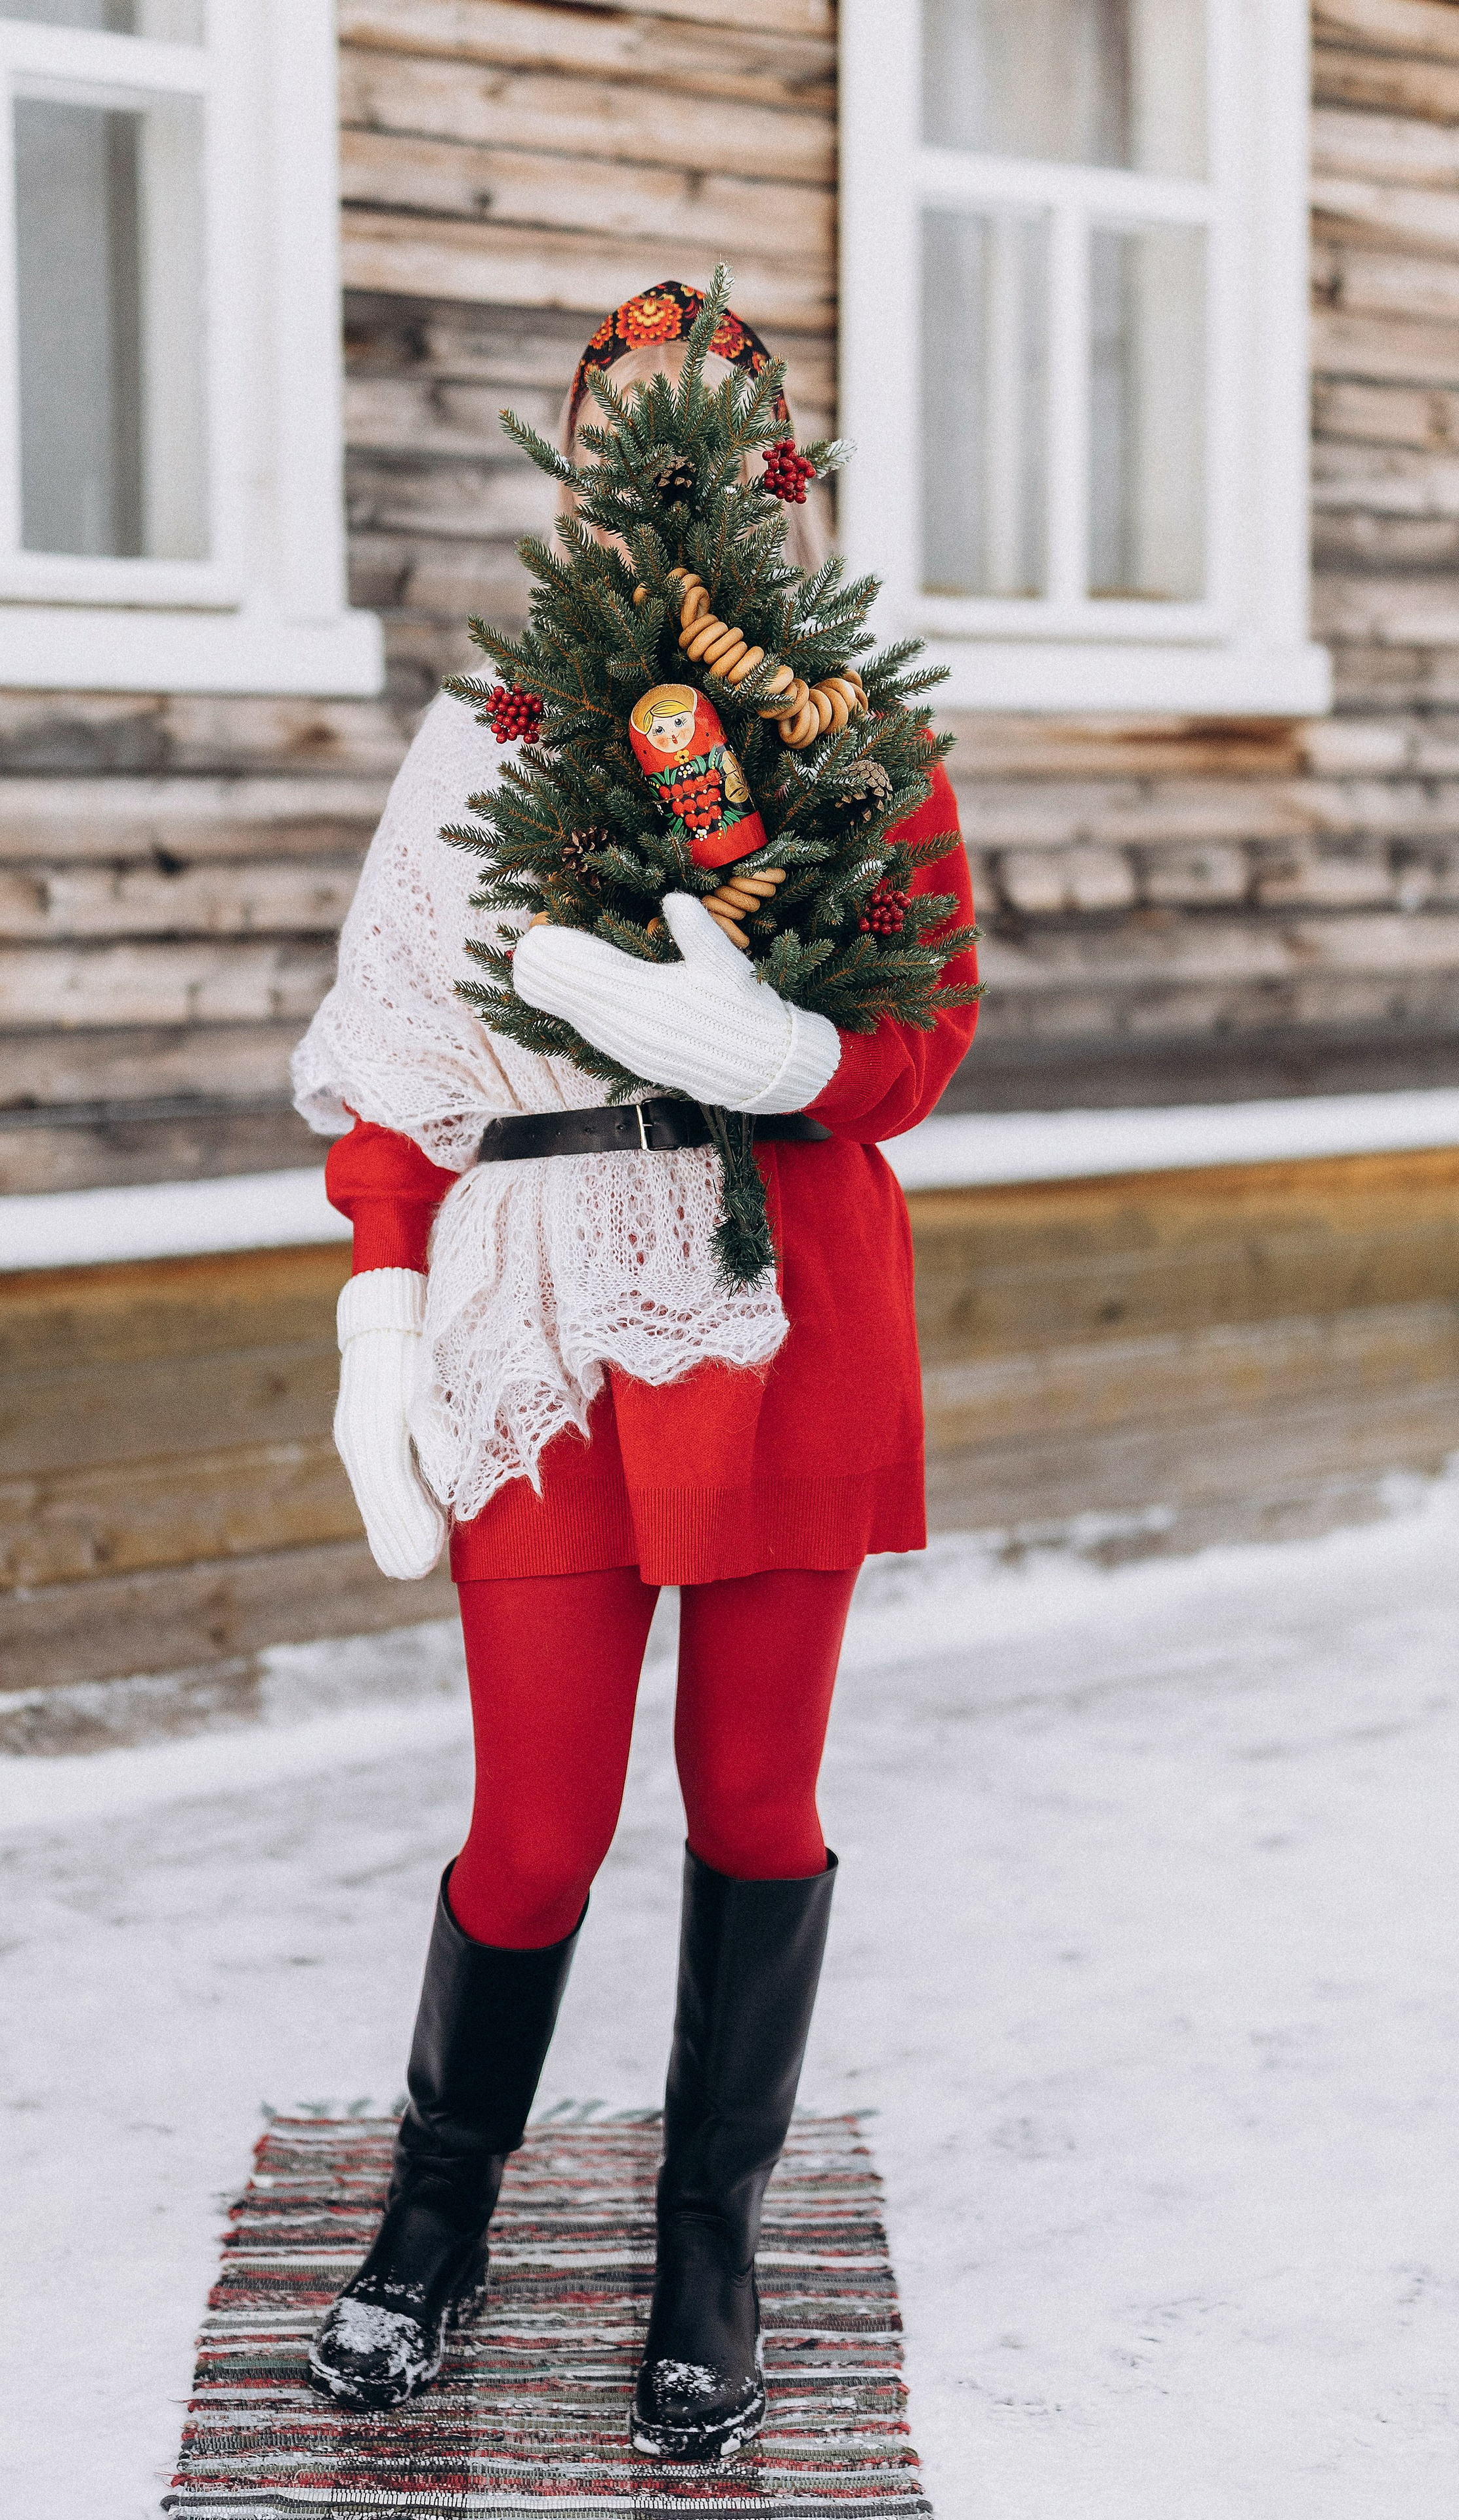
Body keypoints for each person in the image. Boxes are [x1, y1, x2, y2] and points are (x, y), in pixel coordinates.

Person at [289, 282, 979, 2463]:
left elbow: (932, 1016)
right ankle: (434, 2219)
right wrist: (383, 1303)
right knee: (539, 1822)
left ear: (773, 482)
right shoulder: (484, 732)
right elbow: (404, 1057)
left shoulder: (852, 727)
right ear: (576, 472)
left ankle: (710, 2243)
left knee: (755, 1806)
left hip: (786, 1317)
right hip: (545, 1328)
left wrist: (808, 1053)